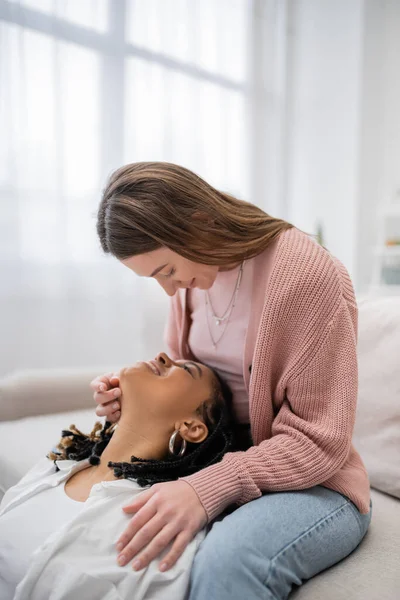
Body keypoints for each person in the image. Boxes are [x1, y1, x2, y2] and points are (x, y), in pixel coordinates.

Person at [94, 161, 372, 600]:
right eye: (156, 279)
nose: (170, 291)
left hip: (313, 482)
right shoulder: (190, 278)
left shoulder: (306, 276)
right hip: (216, 458)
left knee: (228, 563)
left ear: (197, 222)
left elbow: (322, 441)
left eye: (166, 271)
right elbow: (198, 382)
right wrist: (134, 401)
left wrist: (208, 487)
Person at [0, 353, 236, 600]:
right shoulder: (56, 465)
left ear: (191, 427)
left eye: (186, 370)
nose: (163, 356)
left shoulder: (156, 530)